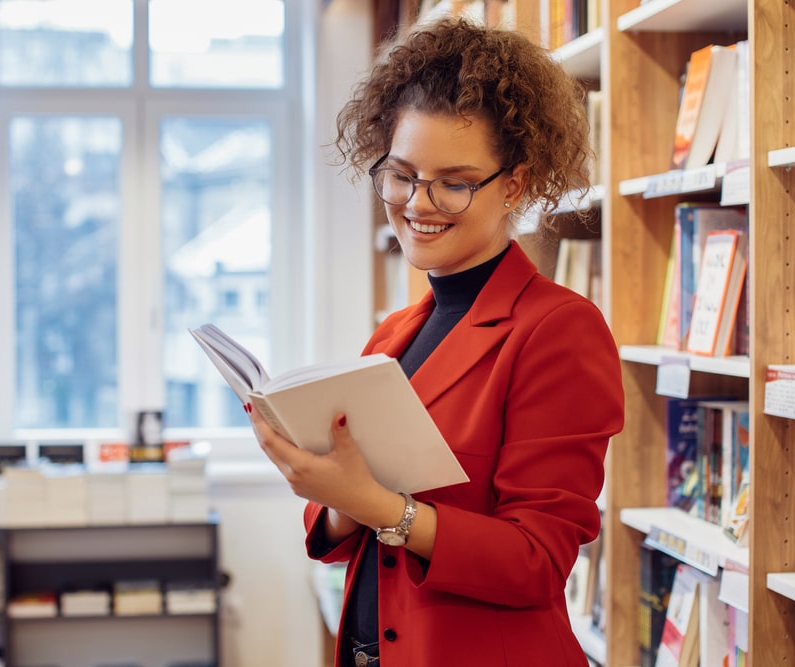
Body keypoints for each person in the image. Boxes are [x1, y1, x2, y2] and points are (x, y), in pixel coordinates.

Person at [246, 16, 624, 667]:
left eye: (453, 181)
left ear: (515, 185)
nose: (418, 203)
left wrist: (380, 506)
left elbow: (537, 560)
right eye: (400, 174)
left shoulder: (559, 330)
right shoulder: (394, 333)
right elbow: (339, 532)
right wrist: (332, 491)